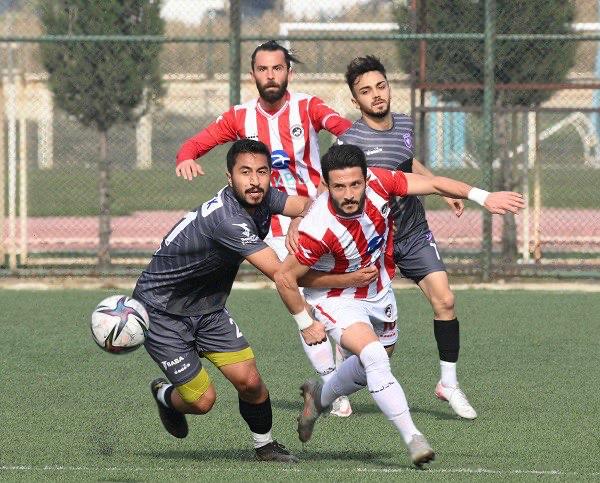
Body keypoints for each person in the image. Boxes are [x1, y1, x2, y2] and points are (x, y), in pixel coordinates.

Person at [274, 144, 524, 466]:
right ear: (327, 185)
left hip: (378, 291)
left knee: (371, 365)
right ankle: (414, 439)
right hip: (336, 299)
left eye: (355, 184)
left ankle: (319, 397)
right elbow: (286, 278)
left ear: (366, 178)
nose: (349, 194)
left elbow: (433, 185)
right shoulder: (317, 227)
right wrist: (306, 323)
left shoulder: (381, 182)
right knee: (375, 357)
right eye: (338, 186)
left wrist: (482, 196)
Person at [134, 139, 375, 463]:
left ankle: (265, 446)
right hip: (161, 311)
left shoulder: (263, 198)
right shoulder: (228, 220)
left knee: (251, 383)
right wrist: (314, 312)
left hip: (208, 309)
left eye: (262, 171)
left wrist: (299, 220)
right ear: (229, 176)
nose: (254, 180)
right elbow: (283, 274)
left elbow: (309, 203)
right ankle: (165, 396)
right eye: (245, 172)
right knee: (202, 401)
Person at [174, 40, 354, 417]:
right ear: (253, 74)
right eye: (263, 69)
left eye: (277, 68)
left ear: (288, 71)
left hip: (318, 214)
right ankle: (334, 388)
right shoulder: (239, 116)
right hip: (271, 223)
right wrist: (186, 156)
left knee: (336, 299)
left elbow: (345, 130)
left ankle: (337, 372)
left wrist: (333, 167)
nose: (270, 76)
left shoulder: (308, 106)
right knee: (299, 297)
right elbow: (197, 143)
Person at [338, 55, 478, 419]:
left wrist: (441, 188)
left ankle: (448, 382)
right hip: (370, 241)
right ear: (356, 101)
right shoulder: (349, 140)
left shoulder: (404, 124)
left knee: (445, 300)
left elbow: (407, 162)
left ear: (389, 88)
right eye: (365, 91)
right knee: (369, 335)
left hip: (412, 232)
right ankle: (337, 381)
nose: (376, 95)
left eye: (380, 87)